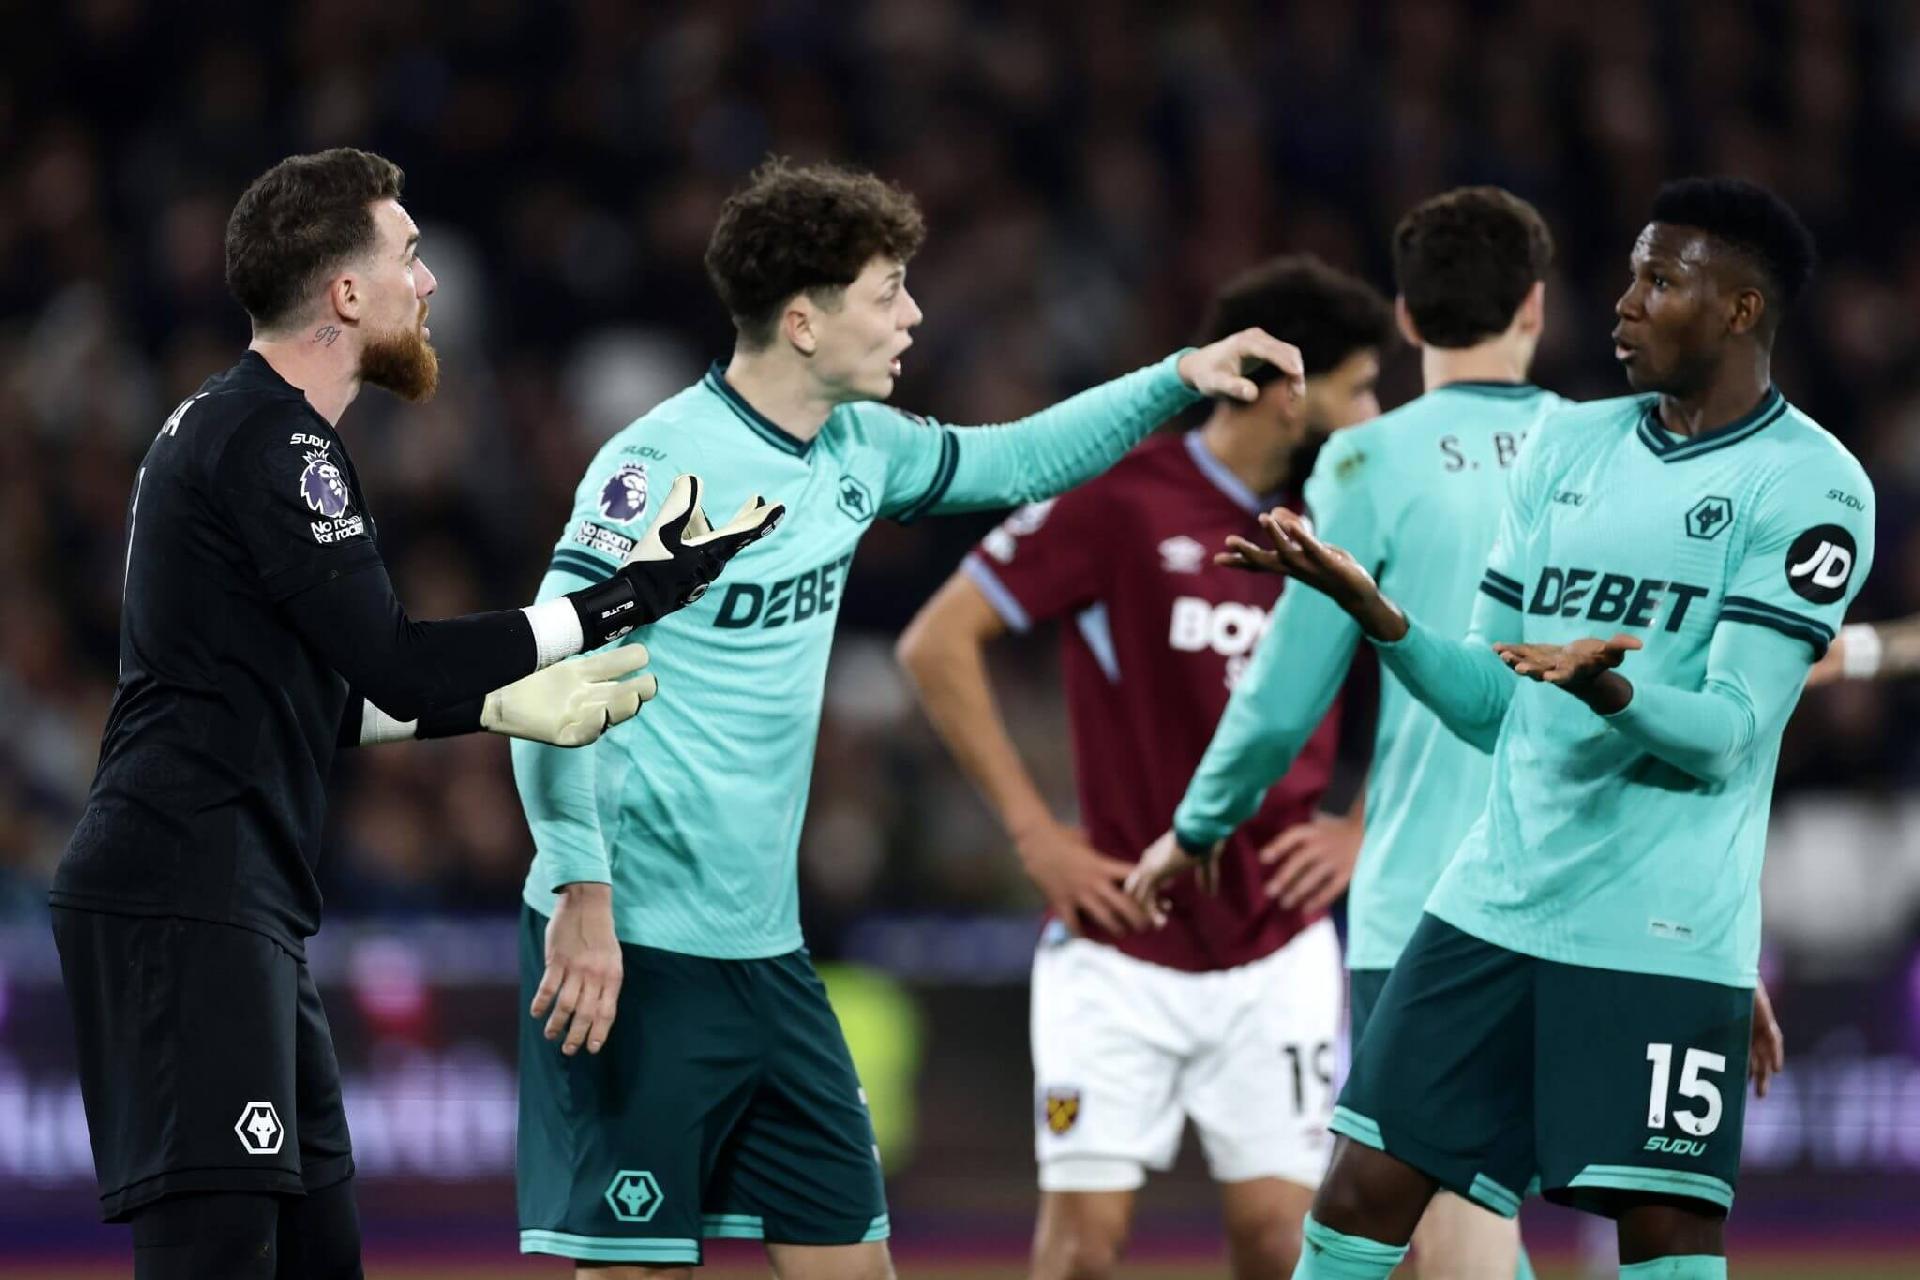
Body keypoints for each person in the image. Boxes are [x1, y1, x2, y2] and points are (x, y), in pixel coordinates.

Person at [509, 156, 1302, 1279]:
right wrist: (581, 889)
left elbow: (1019, 459)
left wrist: (1179, 376)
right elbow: (544, 682)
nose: (914, 315)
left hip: (767, 953)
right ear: (802, 321)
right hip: (632, 944)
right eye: (887, 293)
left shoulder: (858, 450)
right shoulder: (657, 467)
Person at [47, 148, 775, 1280]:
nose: (429, 282)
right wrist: (626, 598)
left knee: (319, 1253)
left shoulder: (235, 428)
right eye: (409, 255)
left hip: (229, 899)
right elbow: (392, 661)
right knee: (219, 1259)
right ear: (346, 292)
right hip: (183, 894)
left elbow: (313, 699)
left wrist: (498, 703)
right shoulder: (276, 441)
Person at [1138, 177, 1860, 1280]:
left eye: (1660, 280)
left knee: (1663, 1234)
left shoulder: (1812, 486)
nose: (1624, 301)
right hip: (1490, 904)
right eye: (1630, 273)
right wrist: (1379, 615)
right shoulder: (1565, 446)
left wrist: (1606, 689)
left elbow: (1728, 732)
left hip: (1655, 932)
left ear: (1740, 309)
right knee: (1358, 1193)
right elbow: (1487, 699)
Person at [896, 255, 1391, 1280]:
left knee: (1281, 1243)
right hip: (1120, 944)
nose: (1374, 415)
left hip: (1277, 943)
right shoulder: (1122, 498)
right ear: (1289, 389)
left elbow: (1444, 669)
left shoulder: (1352, 515)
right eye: (1358, 387)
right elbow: (936, 642)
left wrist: (1363, 823)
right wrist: (1036, 834)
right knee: (1084, 1251)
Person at [1149, 187, 1563, 1280]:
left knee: (1451, 1222)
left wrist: (1196, 827)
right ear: (1535, 306)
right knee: (1496, 1222)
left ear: (1409, 319)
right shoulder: (1607, 448)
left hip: (1436, 899)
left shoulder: (1367, 462)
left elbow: (1284, 696)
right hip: (1600, 893)